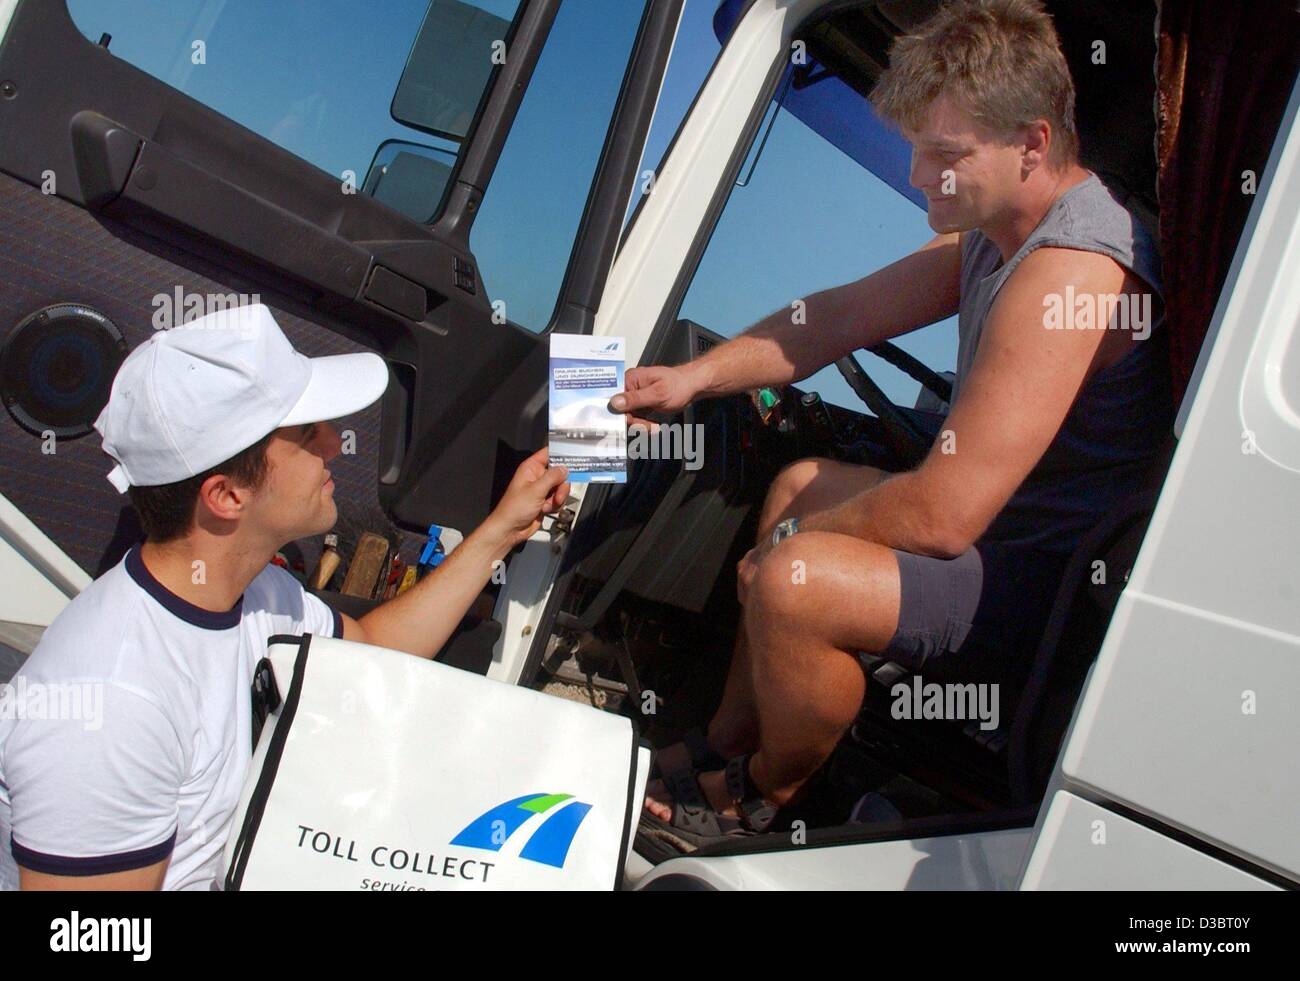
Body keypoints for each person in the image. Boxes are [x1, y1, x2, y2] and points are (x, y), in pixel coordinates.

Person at [615, 0, 1174, 837]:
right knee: (799, 482)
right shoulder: (997, 228)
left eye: (944, 155)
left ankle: (764, 794)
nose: (919, 175)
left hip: (1048, 590)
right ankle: (722, 743)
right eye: (918, 146)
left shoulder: (1077, 270)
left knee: (795, 586)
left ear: (1032, 144)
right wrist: (689, 379)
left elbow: (946, 515)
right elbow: (834, 317)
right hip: (1000, 538)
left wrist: (787, 554)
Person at [0, 303, 569, 889]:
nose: (333, 444)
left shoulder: (258, 594)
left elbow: (376, 645)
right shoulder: (114, 700)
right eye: (306, 432)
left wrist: (502, 527)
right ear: (226, 496)